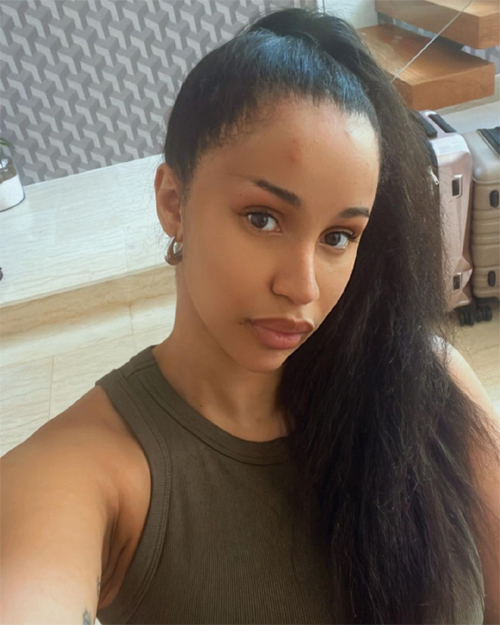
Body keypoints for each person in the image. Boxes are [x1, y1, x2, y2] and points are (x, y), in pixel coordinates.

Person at [2, 6, 499, 625]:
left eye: (339, 236)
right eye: (262, 219)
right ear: (174, 202)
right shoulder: (83, 473)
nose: (302, 286)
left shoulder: (429, 380)